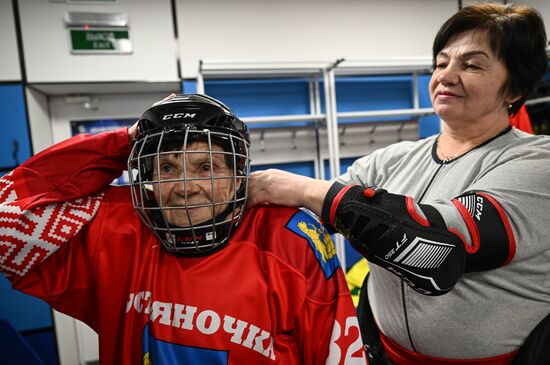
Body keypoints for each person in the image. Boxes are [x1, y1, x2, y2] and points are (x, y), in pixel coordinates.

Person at [248, 3, 550, 364]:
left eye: (471, 64)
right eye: (441, 63)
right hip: (381, 353)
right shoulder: (393, 159)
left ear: (513, 88)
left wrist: (301, 188)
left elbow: (440, 249)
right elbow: (315, 217)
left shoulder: (537, 162)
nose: (446, 76)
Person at [0, 94, 366, 364]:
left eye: (207, 167)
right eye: (167, 168)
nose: (186, 186)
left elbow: (336, 352)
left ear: (238, 175)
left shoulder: (285, 234)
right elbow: (7, 215)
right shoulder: (116, 228)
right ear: (147, 178)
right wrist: (126, 140)